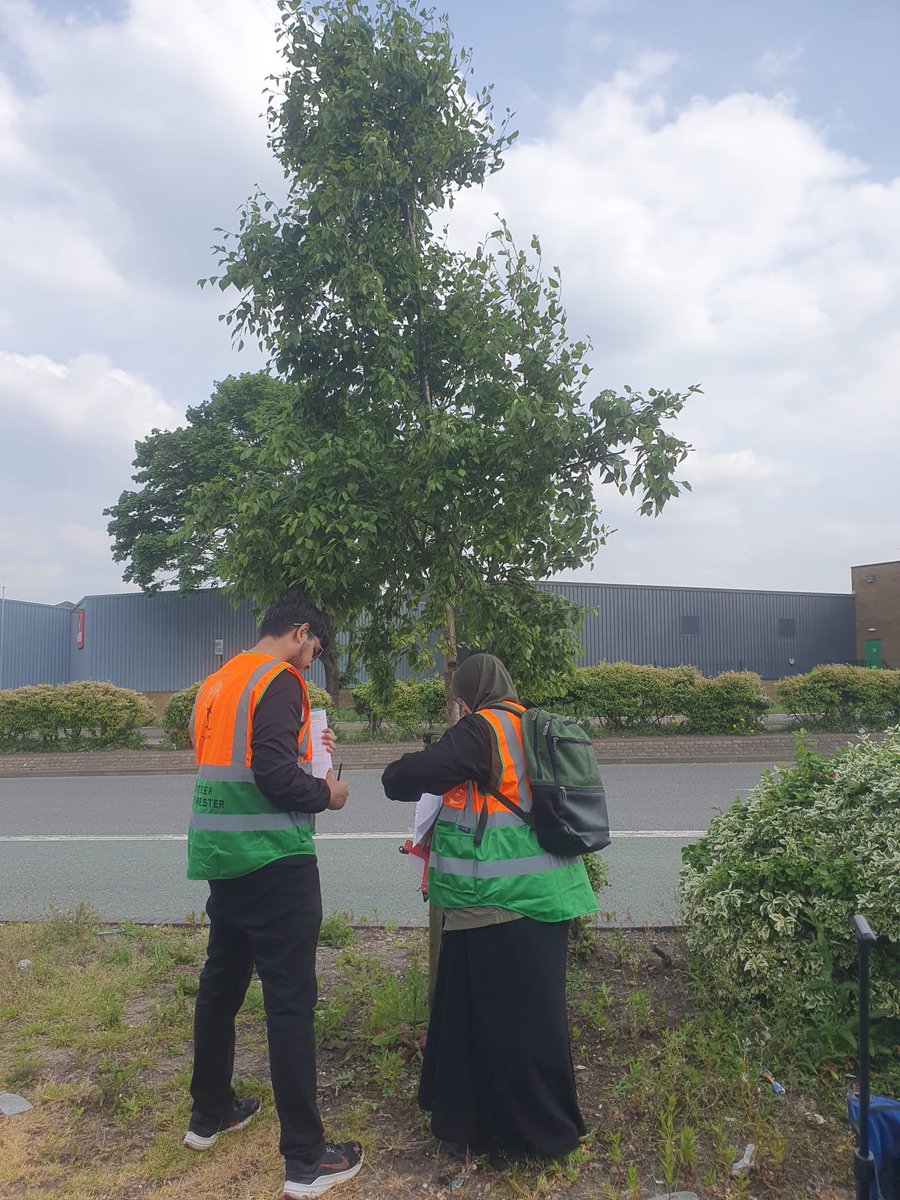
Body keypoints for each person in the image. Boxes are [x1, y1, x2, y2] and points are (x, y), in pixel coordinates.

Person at [381, 653, 598, 1168]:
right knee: (529, 1020)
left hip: (501, 903)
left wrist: (408, 761)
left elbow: (404, 779)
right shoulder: (529, 724)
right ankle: (523, 1125)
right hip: (545, 897)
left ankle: (517, 1136)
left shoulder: (483, 730)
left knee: (498, 1023)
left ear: (468, 693)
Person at [183, 594, 363, 1199]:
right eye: (316, 649)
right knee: (289, 1002)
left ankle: (209, 1114)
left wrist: (311, 748)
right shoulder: (281, 681)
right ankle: (306, 1161)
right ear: (300, 633)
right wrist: (329, 792)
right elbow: (275, 777)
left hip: (222, 857)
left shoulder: (218, 682)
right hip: (275, 858)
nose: (312, 663)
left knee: (222, 981)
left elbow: (217, 756)